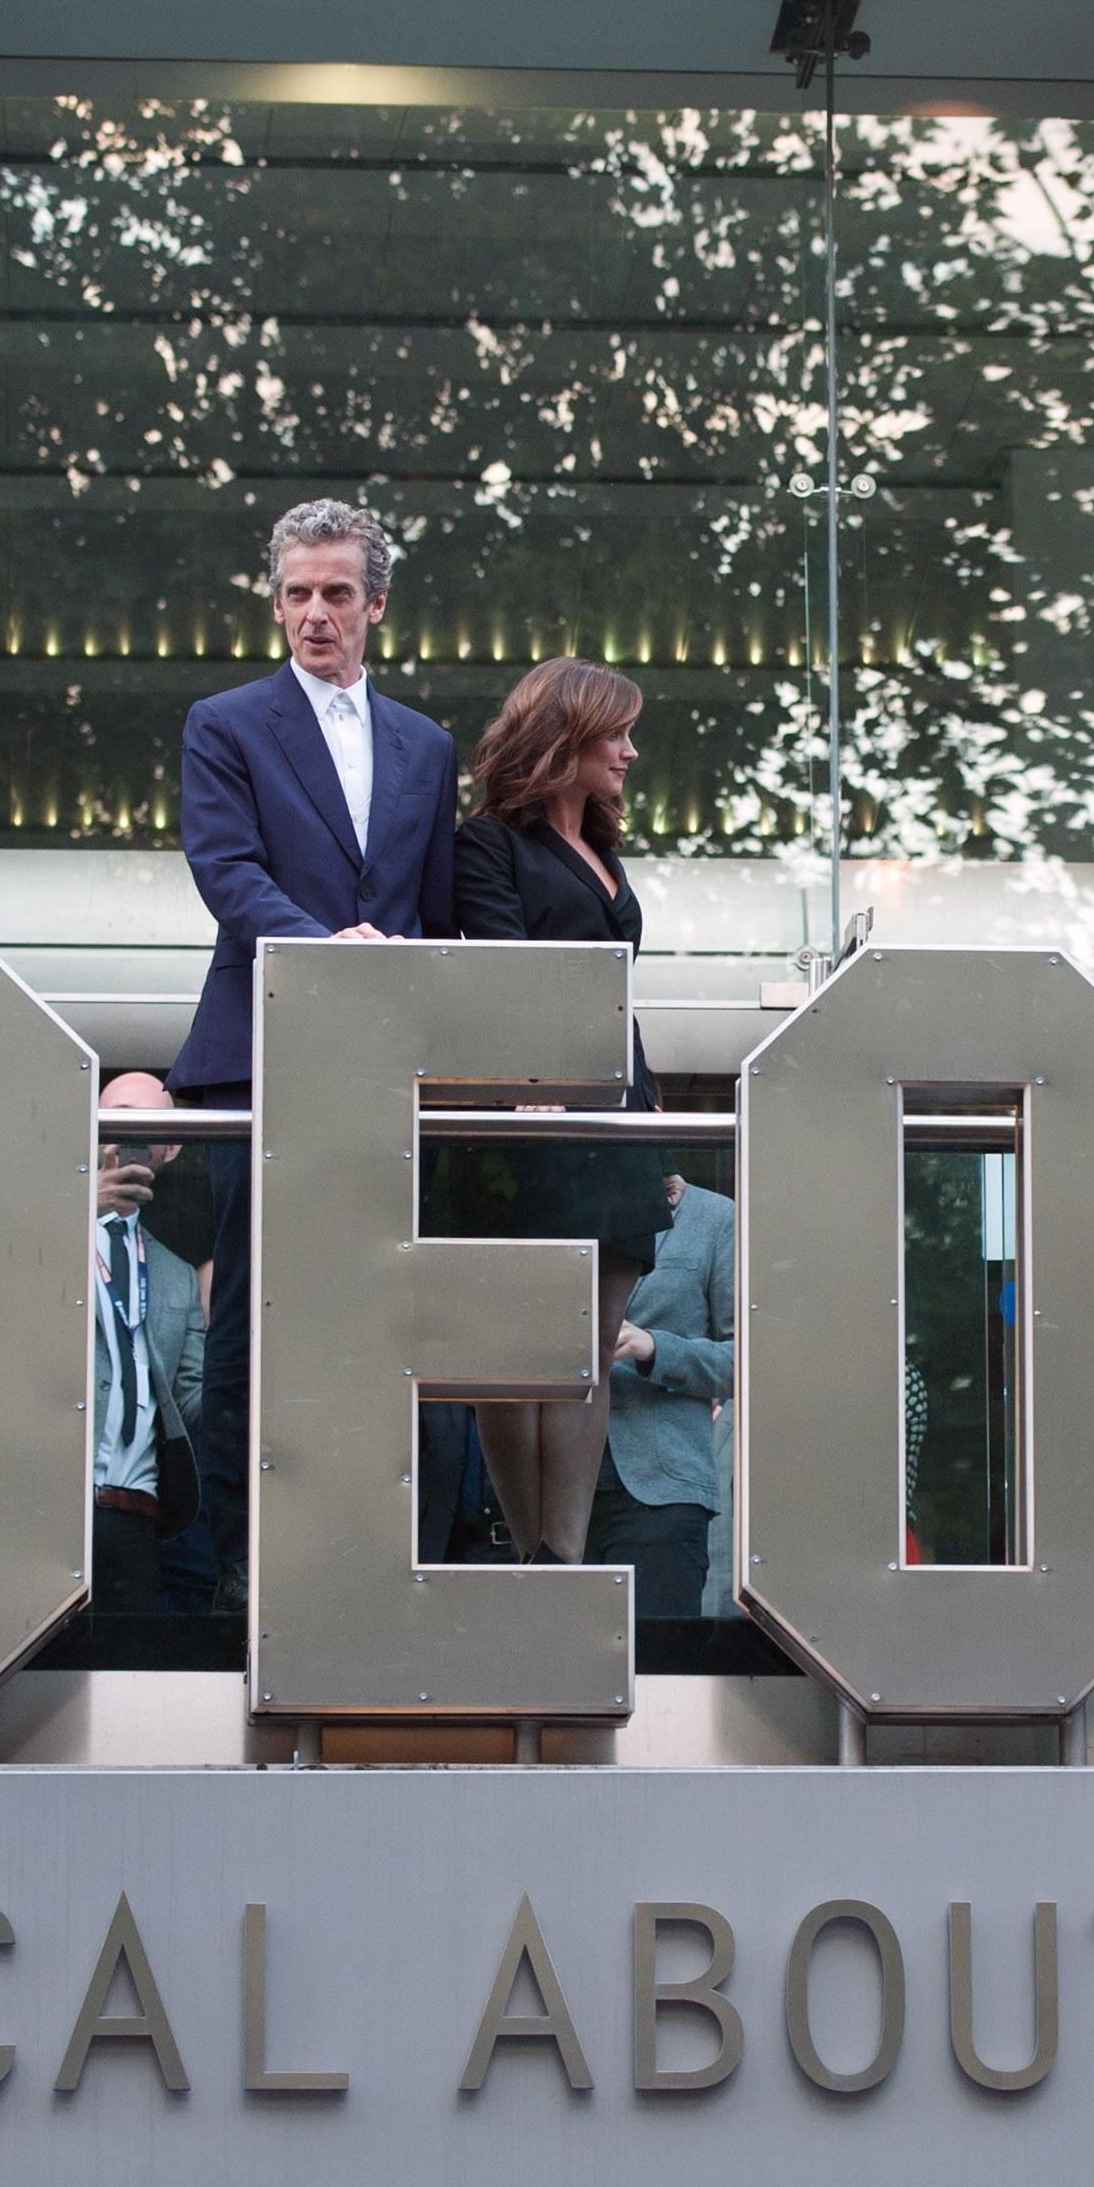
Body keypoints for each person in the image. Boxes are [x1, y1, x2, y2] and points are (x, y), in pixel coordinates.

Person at [166, 499, 461, 1608]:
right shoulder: (226, 721)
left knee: (389, 1314)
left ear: (375, 604)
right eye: (296, 593)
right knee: (254, 1316)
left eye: (337, 592)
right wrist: (327, 950)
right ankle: (243, 1573)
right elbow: (227, 874)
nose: (314, 614)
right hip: (264, 1052)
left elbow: (433, 912)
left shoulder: (426, 745)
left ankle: (385, 1561)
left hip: (390, 1069)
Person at [451, 657, 677, 1567]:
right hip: (528, 1119)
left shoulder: (606, 850)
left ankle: (566, 1562)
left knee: (586, 1358)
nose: (628, 750)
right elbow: (502, 974)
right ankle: (527, 1552)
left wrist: (655, 1118)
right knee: (515, 1359)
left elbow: (620, 1001)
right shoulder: (488, 843)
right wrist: (534, 1077)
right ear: (564, 738)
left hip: (614, 1115)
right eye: (614, 733)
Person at [87, 1073, 208, 1617]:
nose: (121, 1139)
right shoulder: (44, 1229)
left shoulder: (177, 1275)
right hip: (50, 1506)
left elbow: (190, 1402)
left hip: (137, 1513)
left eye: (143, 1126)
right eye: (111, 1123)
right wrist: (80, 1208)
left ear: (171, 1147)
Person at [589, 1173, 735, 1619]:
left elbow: (748, 1363)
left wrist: (656, 1348)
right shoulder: (562, 1203)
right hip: (559, 1486)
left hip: (663, 1490)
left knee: (656, 1668)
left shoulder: (716, 1217)